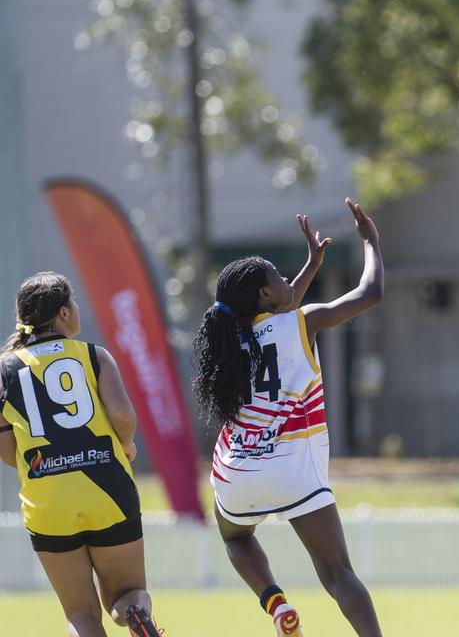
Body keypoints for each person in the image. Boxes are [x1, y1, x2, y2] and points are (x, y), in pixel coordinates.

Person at [193, 201, 383, 637]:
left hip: (237, 472)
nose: (285, 281)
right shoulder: (302, 323)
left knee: (235, 538)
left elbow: (282, 305)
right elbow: (369, 294)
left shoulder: (229, 341)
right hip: (295, 470)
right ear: (264, 295)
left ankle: (275, 602)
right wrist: (371, 242)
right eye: (277, 276)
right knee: (338, 575)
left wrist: (311, 264)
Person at [0, 272, 163, 637]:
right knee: (127, 594)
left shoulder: (4, 369)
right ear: (63, 313)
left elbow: (9, 454)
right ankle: (135, 614)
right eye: (73, 303)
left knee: (80, 614)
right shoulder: (93, 355)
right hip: (108, 490)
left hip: (48, 502)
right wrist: (128, 443)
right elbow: (122, 415)